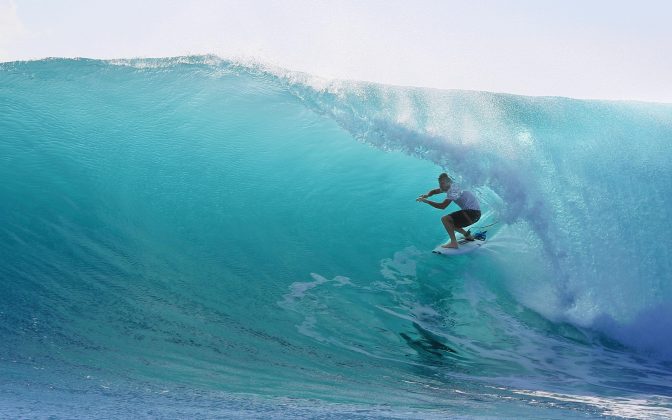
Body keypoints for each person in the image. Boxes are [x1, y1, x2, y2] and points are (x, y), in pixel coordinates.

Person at [416, 173, 481, 249]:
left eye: (442, 183)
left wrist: (426, 201)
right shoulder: (451, 186)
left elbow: (442, 206)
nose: (440, 186)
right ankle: (468, 235)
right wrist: (427, 195)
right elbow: (434, 191)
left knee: (445, 219)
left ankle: (454, 243)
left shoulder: (453, 190)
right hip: (475, 215)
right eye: (440, 183)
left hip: (472, 214)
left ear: (448, 182)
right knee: (450, 224)